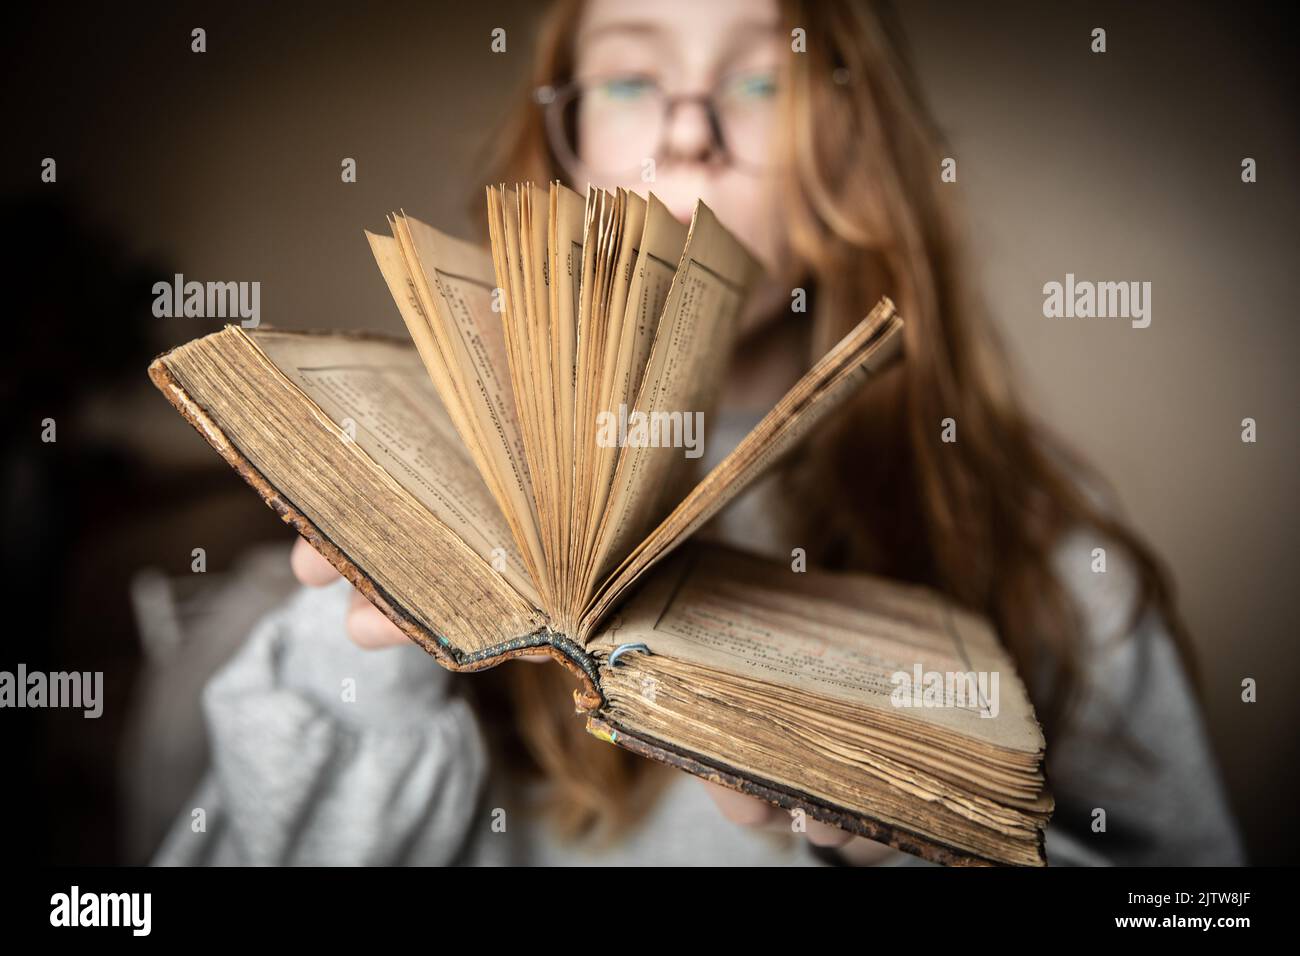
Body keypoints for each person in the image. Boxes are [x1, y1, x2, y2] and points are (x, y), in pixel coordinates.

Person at [153, 0, 1246, 866]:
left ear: (853, 158)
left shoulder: (1036, 542)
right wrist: (364, 655)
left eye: (760, 79)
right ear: (568, 149)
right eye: (632, 79)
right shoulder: (409, 480)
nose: (689, 131)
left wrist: (924, 836)